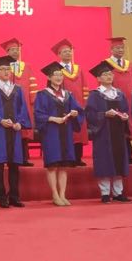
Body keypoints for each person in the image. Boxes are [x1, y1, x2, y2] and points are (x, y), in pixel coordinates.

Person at [0, 55, 32, 208]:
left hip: (14, 130)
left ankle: (14, 196)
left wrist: (20, 123)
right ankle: (1, 196)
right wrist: (0, 120)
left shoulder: (17, 89)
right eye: (2, 69)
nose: (6, 72)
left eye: (8, 69)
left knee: (14, 164)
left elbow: (22, 108)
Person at [33, 62, 83, 206]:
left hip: (65, 132)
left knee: (63, 166)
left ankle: (63, 195)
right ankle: (55, 195)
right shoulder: (42, 94)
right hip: (51, 133)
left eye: (61, 75)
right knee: (52, 165)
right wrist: (53, 119)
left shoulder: (68, 94)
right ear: (49, 77)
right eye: (55, 75)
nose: (59, 77)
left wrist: (75, 113)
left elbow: (78, 110)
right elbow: (38, 114)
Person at [85, 61, 131, 203]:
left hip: (118, 131)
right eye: (105, 74)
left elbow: (125, 109)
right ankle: (105, 193)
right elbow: (90, 114)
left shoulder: (119, 94)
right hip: (103, 132)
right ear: (98, 78)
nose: (109, 76)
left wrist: (125, 116)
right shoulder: (95, 95)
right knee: (104, 161)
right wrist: (104, 114)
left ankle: (118, 192)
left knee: (119, 160)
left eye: (110, 74)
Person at [1, 38, 38, 166]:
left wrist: (33, 100)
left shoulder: (26, 66)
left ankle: (24, 158)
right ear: (7, 52)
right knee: (10, 130)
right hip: (8, 104)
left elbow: (32, 84)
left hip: (25, 103)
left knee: (23, 130)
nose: (15, 52)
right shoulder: (3, 68)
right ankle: (10, 158)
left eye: (17, 49)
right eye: (12, 50)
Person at [52, 38, 89, 166]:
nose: (68, 53)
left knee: (79, 131)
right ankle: (68, 158)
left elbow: (84, 87)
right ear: (59, 54)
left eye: (69, 51)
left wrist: (84, 103)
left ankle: (78, 158)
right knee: (67, 132)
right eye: (65, 51)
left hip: (78, 105)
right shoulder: (56, 70)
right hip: (63, 105)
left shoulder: (78, 69)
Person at [105, 37, 132, 164]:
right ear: (111, 49)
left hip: (129, 100)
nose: (120, 50)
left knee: (128, 127)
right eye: (117, 48)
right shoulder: (106, 64)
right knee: (117, 127)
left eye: (122, 48)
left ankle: (129, 155)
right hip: (113, 99)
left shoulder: (130, 65)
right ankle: (117, 156)